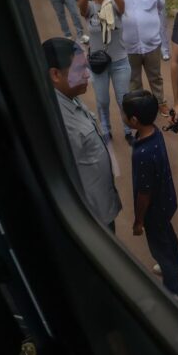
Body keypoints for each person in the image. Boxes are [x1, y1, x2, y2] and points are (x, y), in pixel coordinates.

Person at [43, 38, 122, 230]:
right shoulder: (59, 122)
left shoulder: (69, 98)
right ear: (55, 74)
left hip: (100, 206)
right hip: (92, 218)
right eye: (79, 70)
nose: (88, 75)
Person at [122, 90, 178, 299]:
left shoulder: (142, 154)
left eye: (124, 114)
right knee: (167, 232)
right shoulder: (154, 132)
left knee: (159, 247)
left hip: (153, 209)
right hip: (166, 201)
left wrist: (139, 220)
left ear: (134, 120)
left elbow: (144, 192)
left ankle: (175, 289)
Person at [111, 0, 169, 116]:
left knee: (156, 77)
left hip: (152, 43)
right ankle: (141, 109)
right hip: (127, 47)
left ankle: (160, 103)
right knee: (133, 81)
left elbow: (160, 6)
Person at [77, 0, 130, 142]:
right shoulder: (90, 8)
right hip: (98, 64)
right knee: (102, 100)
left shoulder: (114, 5)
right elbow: (81, 7)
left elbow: (122, 5)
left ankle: (128, 130)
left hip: (120, 61)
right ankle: (106, 129)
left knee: (123, 99)